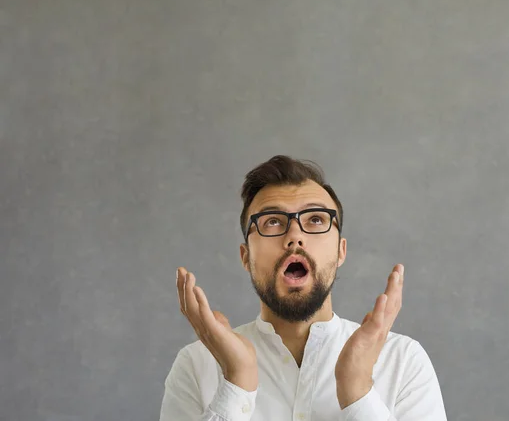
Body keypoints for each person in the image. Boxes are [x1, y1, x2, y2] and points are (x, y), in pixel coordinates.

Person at [159, 155, 447, 421]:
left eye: (316, 220)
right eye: (272, 222)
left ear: (340, 251)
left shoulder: (404, 361)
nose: (295, 236)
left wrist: (357, 391)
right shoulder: (195, 365)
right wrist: (237, 382)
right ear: (246, 257)